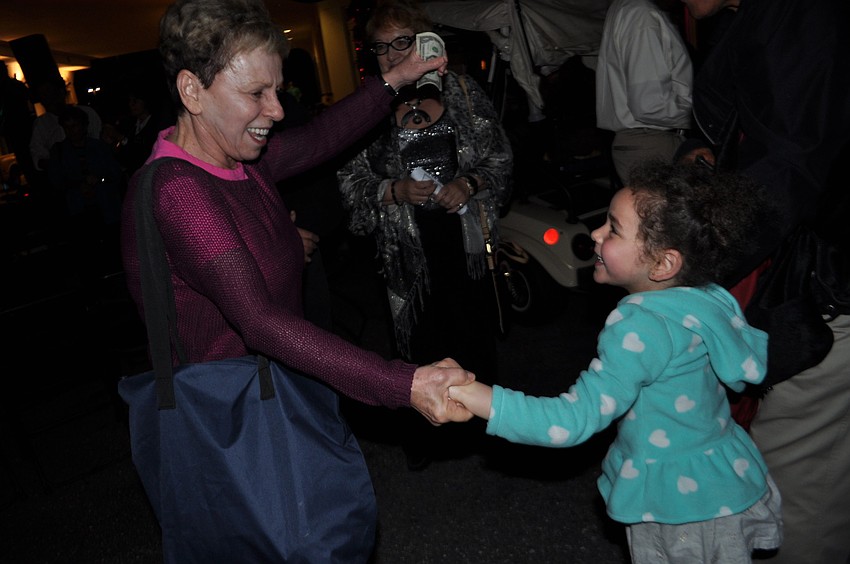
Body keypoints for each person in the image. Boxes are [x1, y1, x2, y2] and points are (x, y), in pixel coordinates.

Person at [120, 0, 472, 551]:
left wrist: (397, 77)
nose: (277, 110)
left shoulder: (236, 160)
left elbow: (321, 138)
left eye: (277, 90)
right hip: (232, 420)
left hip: (278, 389)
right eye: (256, 93)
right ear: (192, 91)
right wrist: (403, 383)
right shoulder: (179, 191)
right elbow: (258, 322)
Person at [448, 161, 783, 563]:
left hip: (678, 507)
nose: (596, 233)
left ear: (663, 264)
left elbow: (571, 421)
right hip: (723, 477)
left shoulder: (640, 328)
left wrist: (475, 395)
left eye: (613, 229)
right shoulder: (705, 297)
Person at [676, 1, 850, 562]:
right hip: (807, 269)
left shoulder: (801, 17)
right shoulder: (752, 17)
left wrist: (688, 259)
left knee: (796, 479)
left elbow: (791, 164)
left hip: (828, 283)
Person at [336, 0, 513, 469]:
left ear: (425, 43)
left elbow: (499, 158)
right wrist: (392, 190)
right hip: (406, 253)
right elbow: (348, 182)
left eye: (402, 42)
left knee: (472, 339)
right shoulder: (368, 108)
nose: (393, 54)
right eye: (381, 47)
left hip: (464, 245)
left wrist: (467, 184)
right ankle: (427, 440)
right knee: (417, 347)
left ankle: (482, 434)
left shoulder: (463, 92)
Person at [595, 0, 693, 185]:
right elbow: (650, 105)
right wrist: (699, 115)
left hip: (640, 141)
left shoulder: (626, 8)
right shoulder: (642, 13)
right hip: (651, 142)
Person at [29, 76, 102, 173]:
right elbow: (38, 156)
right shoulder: (40, 125)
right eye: (42, 96)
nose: (47, 99)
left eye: (49, 93)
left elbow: (99, 139)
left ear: (61, 92)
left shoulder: (87, 113)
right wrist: (59, 164)